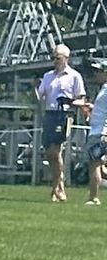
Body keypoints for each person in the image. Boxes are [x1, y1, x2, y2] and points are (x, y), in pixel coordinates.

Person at [36, 43, 87, 203]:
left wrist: (70, 101)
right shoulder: (48, 76)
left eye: (57, 58)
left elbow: (81, 98)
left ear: (66, 58)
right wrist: (34, 89)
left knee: (56, 151)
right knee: (50, 153)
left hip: (64, 114)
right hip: (50, 114)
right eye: (53, 58)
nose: (54, 61)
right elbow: (41, 96)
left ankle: (55, 188)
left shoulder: (74, 76)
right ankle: (60, 186)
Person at [85, 71, 107, 207]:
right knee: (98, 165)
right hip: (96, 130)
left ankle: (94, 197)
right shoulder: (103, 89)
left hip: (99, 132)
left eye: (99, 72)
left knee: (94, 165)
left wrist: (105, 131)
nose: (96, 74)